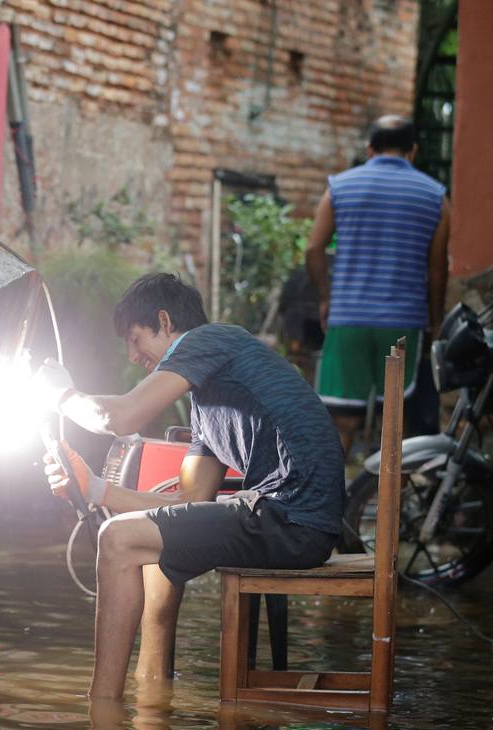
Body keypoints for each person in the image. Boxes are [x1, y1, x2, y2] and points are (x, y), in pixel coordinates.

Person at [33, 273, 344, 699]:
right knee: (142, 543)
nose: (133, 354)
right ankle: (149, 697)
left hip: (291, 516)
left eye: (136, 338)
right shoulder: (204, 408)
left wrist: (62, 397)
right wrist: (96, 491)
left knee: (118, 538)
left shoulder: (212, 339)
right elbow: (190, 500)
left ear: (164, 321)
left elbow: (123, 417)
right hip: (287, 519)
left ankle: (101, 711)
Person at [306, 115, 451, 453]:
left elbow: (314, 248)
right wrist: (435, 321)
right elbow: (437, 269)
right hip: (403, 324)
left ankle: (329, 503)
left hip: (348, 320)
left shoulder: (339, 188)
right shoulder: (435, 197)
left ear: (370, 149)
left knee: (341, 421)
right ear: (412, 151)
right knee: (396, 423)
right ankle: (390, 504)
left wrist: (326, 299)